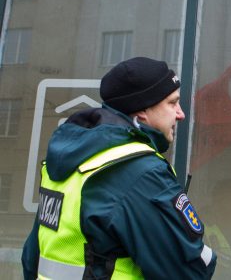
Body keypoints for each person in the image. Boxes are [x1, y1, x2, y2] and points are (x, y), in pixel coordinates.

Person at [22, 57, 217, 279]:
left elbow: (31, 258)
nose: (180, 114)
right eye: (172, 103)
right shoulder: (140, 172)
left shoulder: (70, 160)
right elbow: (188, 271)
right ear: (142, 111)